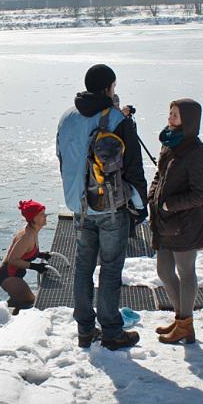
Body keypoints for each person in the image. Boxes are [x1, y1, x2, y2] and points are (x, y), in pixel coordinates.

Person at [56, 63, 148, 350]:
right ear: (109, 87)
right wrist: (140, 205)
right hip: (110, 206)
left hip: (79, 205)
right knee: (110, 268)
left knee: (83, 267)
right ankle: (111, 331)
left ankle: (85, 330)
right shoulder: (117, 119)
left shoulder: (66, 117)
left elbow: (61, 157)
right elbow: (133, 167)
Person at [149, 99, 203, 344]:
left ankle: (185, 324)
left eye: (175, 114)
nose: (170, 117)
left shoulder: (196, 152)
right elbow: (160, 174)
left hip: (184, 223)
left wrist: (168, 204)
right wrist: (152, 194)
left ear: (189, 120)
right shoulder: (169, 142)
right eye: (170, 112)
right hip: (164, 222)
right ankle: (180, 318)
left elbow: (200, 194)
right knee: (164, 271)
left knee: (185, 272)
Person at [0, 200, 51, 312]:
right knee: (30, 302)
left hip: (14, 275)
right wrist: (35, 266)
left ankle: (5, 312)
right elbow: (12, 260)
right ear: (34, 218)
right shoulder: (27, 236)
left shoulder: (32, 231)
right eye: (42, 214)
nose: (45, 216)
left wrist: (40, 254)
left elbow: (26, 252)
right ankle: (2, 316)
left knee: (22, 302)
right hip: (10, 277)